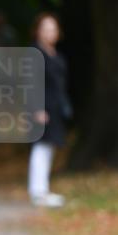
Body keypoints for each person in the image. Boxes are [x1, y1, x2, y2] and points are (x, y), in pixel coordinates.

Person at [28, 13, 71, 207]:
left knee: (49, 147)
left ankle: (42, 189)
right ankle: (38, 191)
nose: (50, 33)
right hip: (41, 109)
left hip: (54, 107)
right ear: (38, 31)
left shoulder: (56, 54)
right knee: (41, 147)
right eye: (46, 28)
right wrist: (36, 108)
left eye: (53, 29)